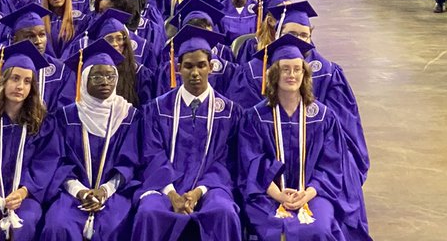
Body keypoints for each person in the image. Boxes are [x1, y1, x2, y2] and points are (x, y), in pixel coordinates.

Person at [237, 36, 368, 241]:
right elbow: (252, 163)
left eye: (297, 69)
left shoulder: (323, 117)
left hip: (314, 193)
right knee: (272, 228)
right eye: (285, 69)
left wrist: (307, 194)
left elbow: (331, 166)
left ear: (305, 74)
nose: (292, 75)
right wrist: (279, 195)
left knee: (319, 228)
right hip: (267, 194)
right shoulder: (255, 117)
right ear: (274, 74)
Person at [131, 26, 241, 241]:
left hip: (210, 186)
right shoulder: (157, 109)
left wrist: (198, 191)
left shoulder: (229, 112)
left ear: (211, 67)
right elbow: (152, 154)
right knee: (149, 212)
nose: (195, 73)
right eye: (188, 66)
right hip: (163, 185)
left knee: (223, 212)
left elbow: (227, 161)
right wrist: (171, 194)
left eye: (201, 65)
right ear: (178, 68)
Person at [41, 40, 142, 241]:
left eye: (110, 75)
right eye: (97, 76)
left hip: (115, 192)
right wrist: (80, 192)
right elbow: (58, 162)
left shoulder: (128, 116)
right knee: (58, 224)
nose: (105, 82)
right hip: (72, 194)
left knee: (115, 225)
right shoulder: (65, 117)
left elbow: (131, 163)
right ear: (84, 80)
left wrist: (105, 190)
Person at [0, 42, 58, 241]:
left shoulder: (42, 124)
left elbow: (45, 164)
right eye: (15, 79)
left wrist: (24, 191)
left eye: (27, 81)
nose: (20, 86)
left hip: (26, 197)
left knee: (24, 225)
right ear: (3, 80)